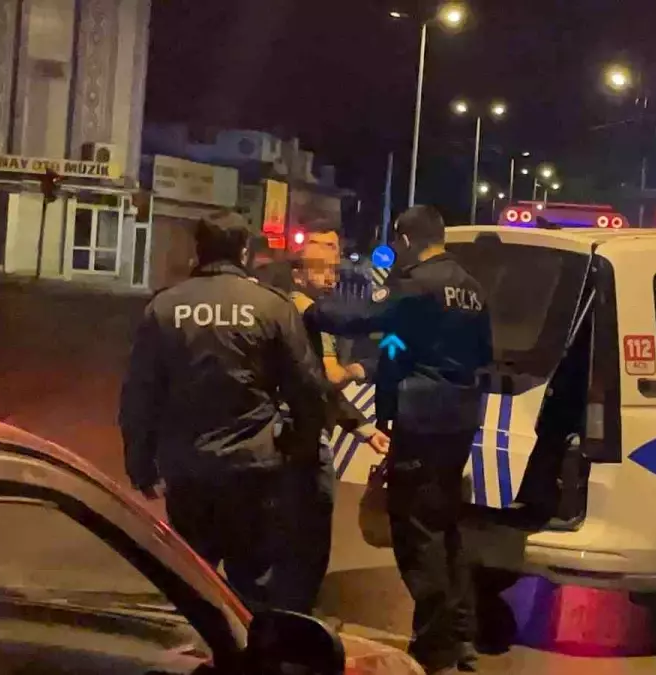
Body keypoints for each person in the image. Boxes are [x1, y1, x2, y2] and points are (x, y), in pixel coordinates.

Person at [118, 210, 388, 607]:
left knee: (192, 581)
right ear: (244, 251)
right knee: (254, 585)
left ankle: (198, 641)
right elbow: (308, 389)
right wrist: (297, 449)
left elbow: (140, 394)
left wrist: (141, 465)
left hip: (188, 470)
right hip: (254, 471)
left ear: (199, 250)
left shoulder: (164, 307)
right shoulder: (270, 306)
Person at [302, 206, 492, 674]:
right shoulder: (473, 289)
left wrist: (310, 308)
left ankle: (435, 646)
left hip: (421, 420)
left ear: (405, 241)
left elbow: (359, 317)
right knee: (445, 526)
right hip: (460, 418)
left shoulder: (417, 285)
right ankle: (462, 635)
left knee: (417, 535)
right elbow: (484, 353)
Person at [273, 220, 374, 614]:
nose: (331, 277)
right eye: (322, 270)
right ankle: (296, 612)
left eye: (334, 269)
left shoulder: (279, 308)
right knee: (311, 526)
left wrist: (360, 426)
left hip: (278, 431)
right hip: (301, 432)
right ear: (298, 274)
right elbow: (328, 378)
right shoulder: (310, 315)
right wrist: (363, 369)